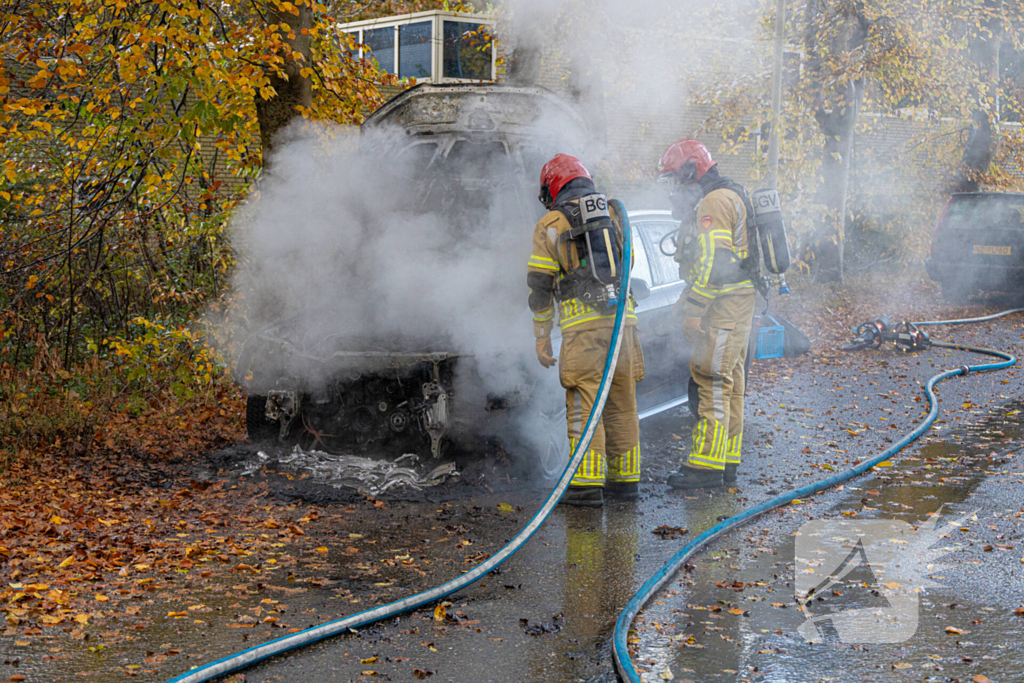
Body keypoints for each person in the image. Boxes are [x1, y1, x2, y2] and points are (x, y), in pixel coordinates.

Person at [526, 153, 644, 507]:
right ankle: (625, 481)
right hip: (624, 326)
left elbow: (540, 285)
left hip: (584, 330)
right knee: (622, 405)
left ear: (552, 187)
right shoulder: (614, 215)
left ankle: (585, 484)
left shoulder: (551, 223)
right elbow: (629, 264)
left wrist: (542, 334)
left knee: (583, 403)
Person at [658, 139, 756, 489]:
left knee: (711, 378)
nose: (674, 187)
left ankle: (705, 467)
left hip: (722, 305)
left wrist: (694, 310)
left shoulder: (713, 202)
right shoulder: (731, 194)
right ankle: (726, 460)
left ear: (690, 171)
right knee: (731, 382)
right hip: (737, 302)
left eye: (675, 178)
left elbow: (716, 263)